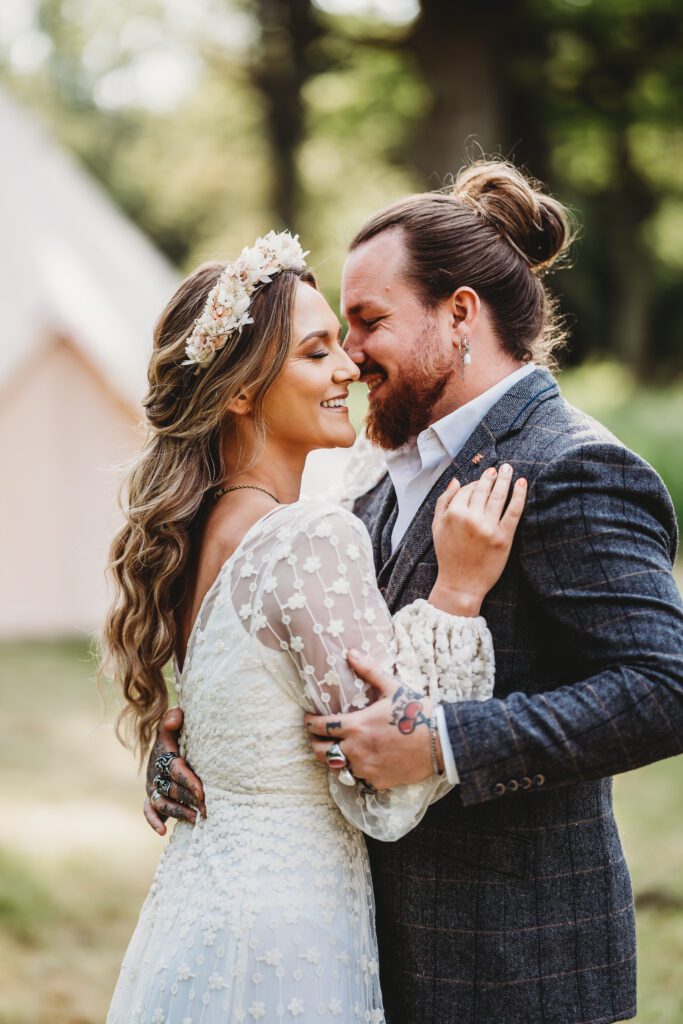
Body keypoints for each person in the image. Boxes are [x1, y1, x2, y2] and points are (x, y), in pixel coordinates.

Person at [148, 161, 683, 1024]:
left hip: (508, 969)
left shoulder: (574, 465)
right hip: (353, 949)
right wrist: (206, 739)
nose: (351, 358)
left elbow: (664, 689)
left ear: (460, 314)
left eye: (367, 323)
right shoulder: (360, 478)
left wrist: (443, 742)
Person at [102, 229, 527, 1024]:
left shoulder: (198, 536)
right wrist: (458, 597)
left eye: (344, 341)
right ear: (237, 392)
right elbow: (386, 795)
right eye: (315, 352)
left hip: (194, 921)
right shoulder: (308, 538)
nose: (347, 369)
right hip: (285, 937)